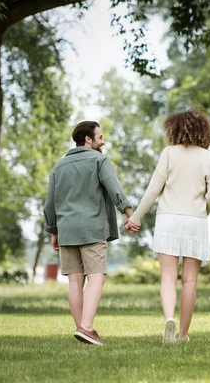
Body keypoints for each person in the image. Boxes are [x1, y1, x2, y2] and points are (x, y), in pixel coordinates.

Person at [125, 109, 210, 344]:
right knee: (190, 280)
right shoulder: (209, 158)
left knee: (168, 278)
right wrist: (204, 212)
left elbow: (153, 189)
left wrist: (135, 217)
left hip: (168, 219)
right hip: (195, 222)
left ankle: (169, 317)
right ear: (203, 130)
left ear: (175, 129)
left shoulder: (168, 153)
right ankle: (183, 334)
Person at [44, 121, 138, 345]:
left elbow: (50, 203)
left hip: (66, 230)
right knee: (97, 277)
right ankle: (86, 328)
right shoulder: (99, 160)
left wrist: (54, 230)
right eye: (100, 137)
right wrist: (129, 212)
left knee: (75, 282)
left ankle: (81, 329)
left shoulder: (59, 167)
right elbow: (114, 188)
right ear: (88, 139)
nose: (103, 141)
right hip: (92, 228)